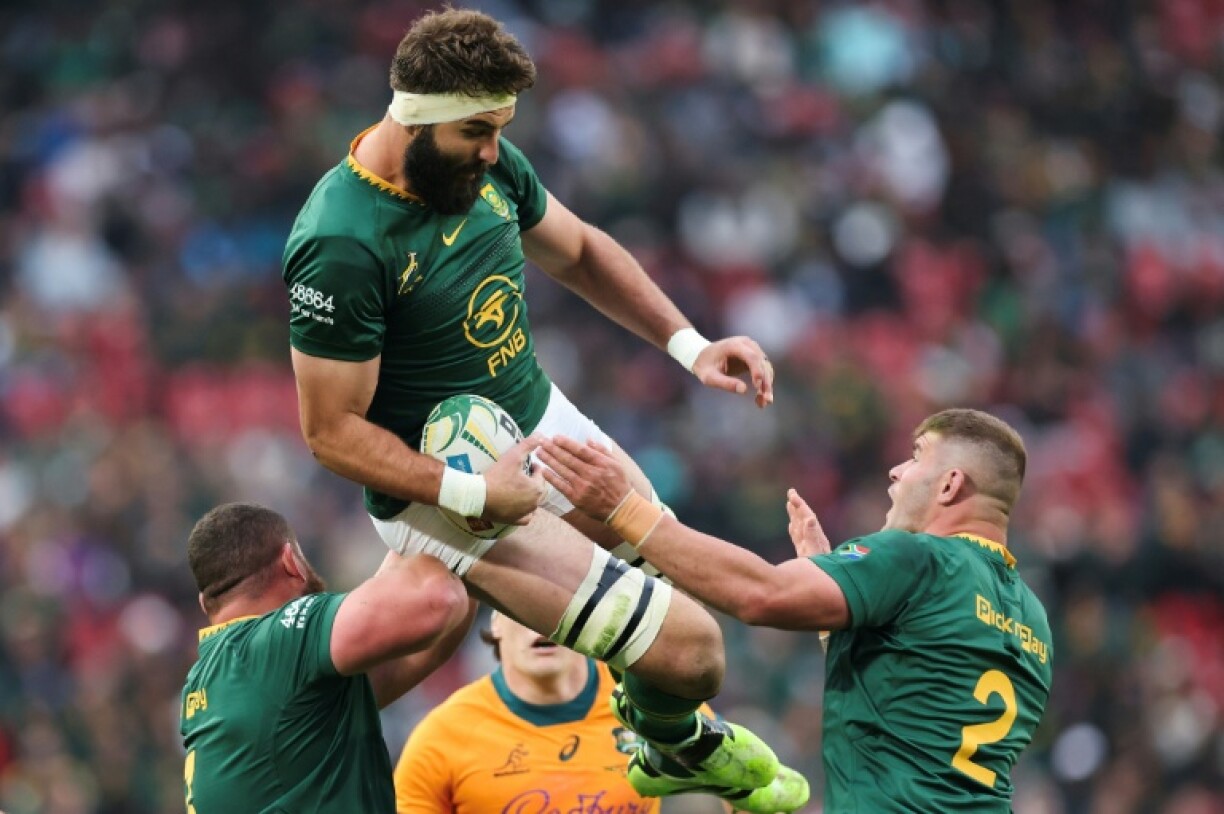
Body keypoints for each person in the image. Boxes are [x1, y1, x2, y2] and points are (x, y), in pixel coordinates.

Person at [281, 8, 801, 812]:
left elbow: (581, 250)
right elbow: (330, 433)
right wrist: (474, 493)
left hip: (538, 422)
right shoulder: (341, 243)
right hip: (446, 490)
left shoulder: (479, 165)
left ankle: (670, 742)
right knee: (694, 652)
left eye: (501, 131)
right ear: (415, 118)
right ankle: (677, 743)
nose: (494, 152)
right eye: (477, 133)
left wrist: (691, 347)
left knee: (678, 577)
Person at [539, 408, 1055, 813]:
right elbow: (915, 691)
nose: (897, 470)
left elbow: (759, 595)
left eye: (917, 456)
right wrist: (840, 609)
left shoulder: (918, 558)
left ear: (949, 485)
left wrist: (624, 508)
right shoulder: (1032, 619)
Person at [179, 502, 476, 813]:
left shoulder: (209, 678)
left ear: (205, 603)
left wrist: (432, 535)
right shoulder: (277, 642)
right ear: (291, 561)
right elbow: (437, 599)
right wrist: (458, 511)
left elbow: (410, 656)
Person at [393, 610, 733, 813]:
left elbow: (742, 783)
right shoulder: (442, 738)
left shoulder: (644, 704)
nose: (540, 625)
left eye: (555, 609)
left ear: (585, 620)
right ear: (495, 622)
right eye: (521, 609)